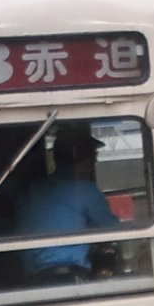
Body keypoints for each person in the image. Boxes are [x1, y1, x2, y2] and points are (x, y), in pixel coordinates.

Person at [15, 121, 118, 282]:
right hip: (69, 278)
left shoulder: (30, 193)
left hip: (33, 282)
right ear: (80, 160)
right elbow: (112, 230)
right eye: (92, 158)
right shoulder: (84, 190)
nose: (93, 164)